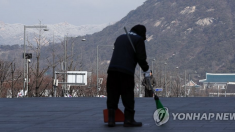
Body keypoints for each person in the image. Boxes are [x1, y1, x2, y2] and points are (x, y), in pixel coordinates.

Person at [106, 24, 150, 127]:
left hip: (112, 70)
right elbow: (141, 58)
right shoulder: (138, 40)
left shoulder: (120, 37)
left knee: (113, 94)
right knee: (127, 95)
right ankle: (129, 120)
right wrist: (146, 69)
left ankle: (111, 120)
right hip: (126, 71)